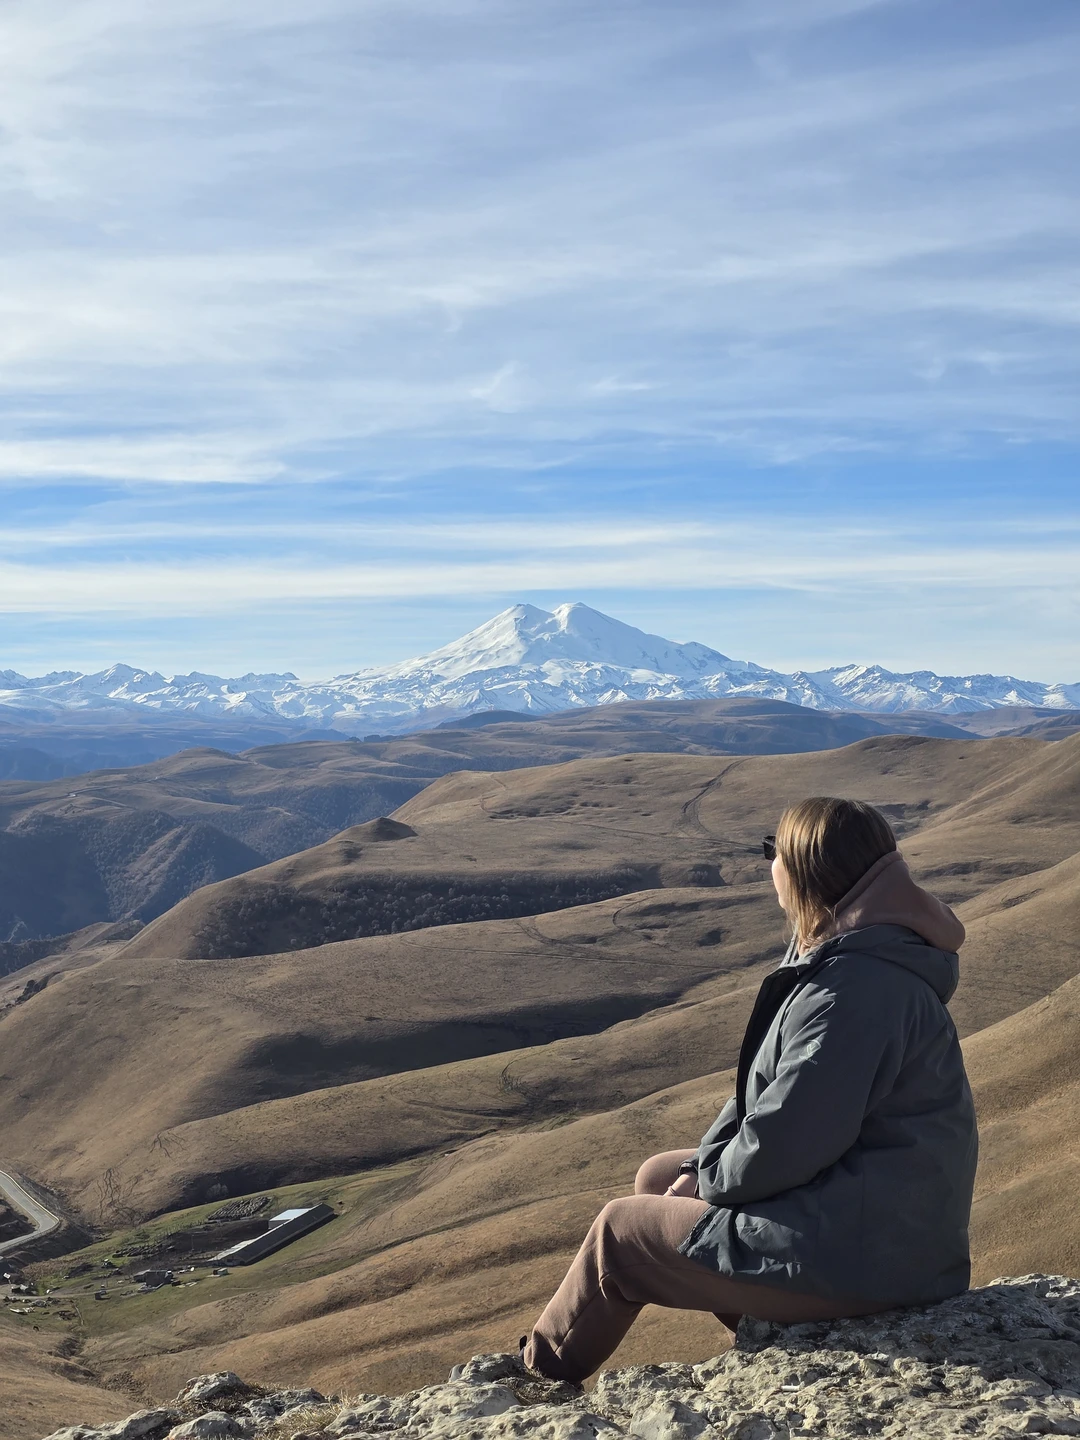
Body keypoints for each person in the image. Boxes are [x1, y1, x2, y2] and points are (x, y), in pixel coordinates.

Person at [521, 796, 978, 1384]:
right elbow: (761, 1100)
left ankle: (535, 1383)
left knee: (620, 1236)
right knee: (660, 1177)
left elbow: (790, 1140)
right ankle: (780, 1330)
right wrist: (702, 1166)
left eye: (773, 851)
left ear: (809, 872)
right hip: (877, 1221)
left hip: (873, 1258)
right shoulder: (852, 958)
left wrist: (710, 1179)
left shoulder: (852, 991)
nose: (769, 865)